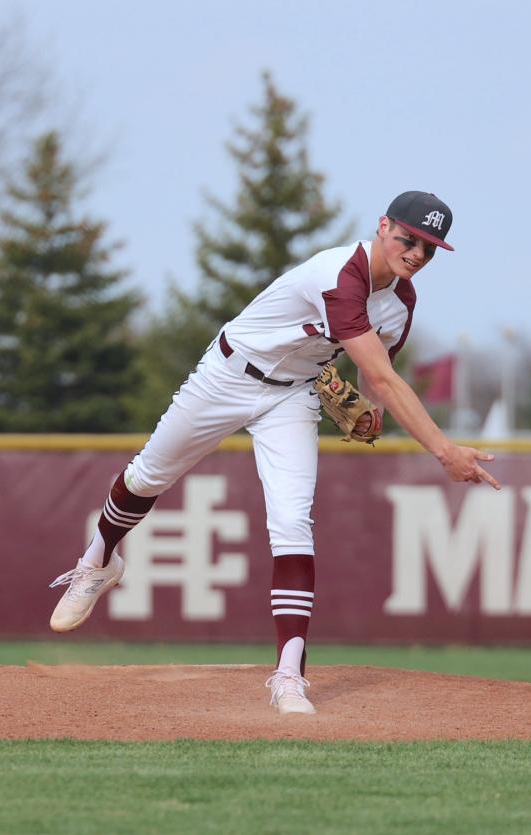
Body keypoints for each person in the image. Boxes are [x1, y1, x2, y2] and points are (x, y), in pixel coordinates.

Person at [47, 190, 500, 715]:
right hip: (228, 374)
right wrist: (443, 450)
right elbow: (381, 373)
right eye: (410, 239)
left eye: (430, 247)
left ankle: (289, 677)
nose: (418, 254)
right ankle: (98, 560)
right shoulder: (339, 275)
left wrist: (369, 414)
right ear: (383, 226)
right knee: (148, 476)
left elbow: (374, 377)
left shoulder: (401, 303)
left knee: (292, 524)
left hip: (293, 395)